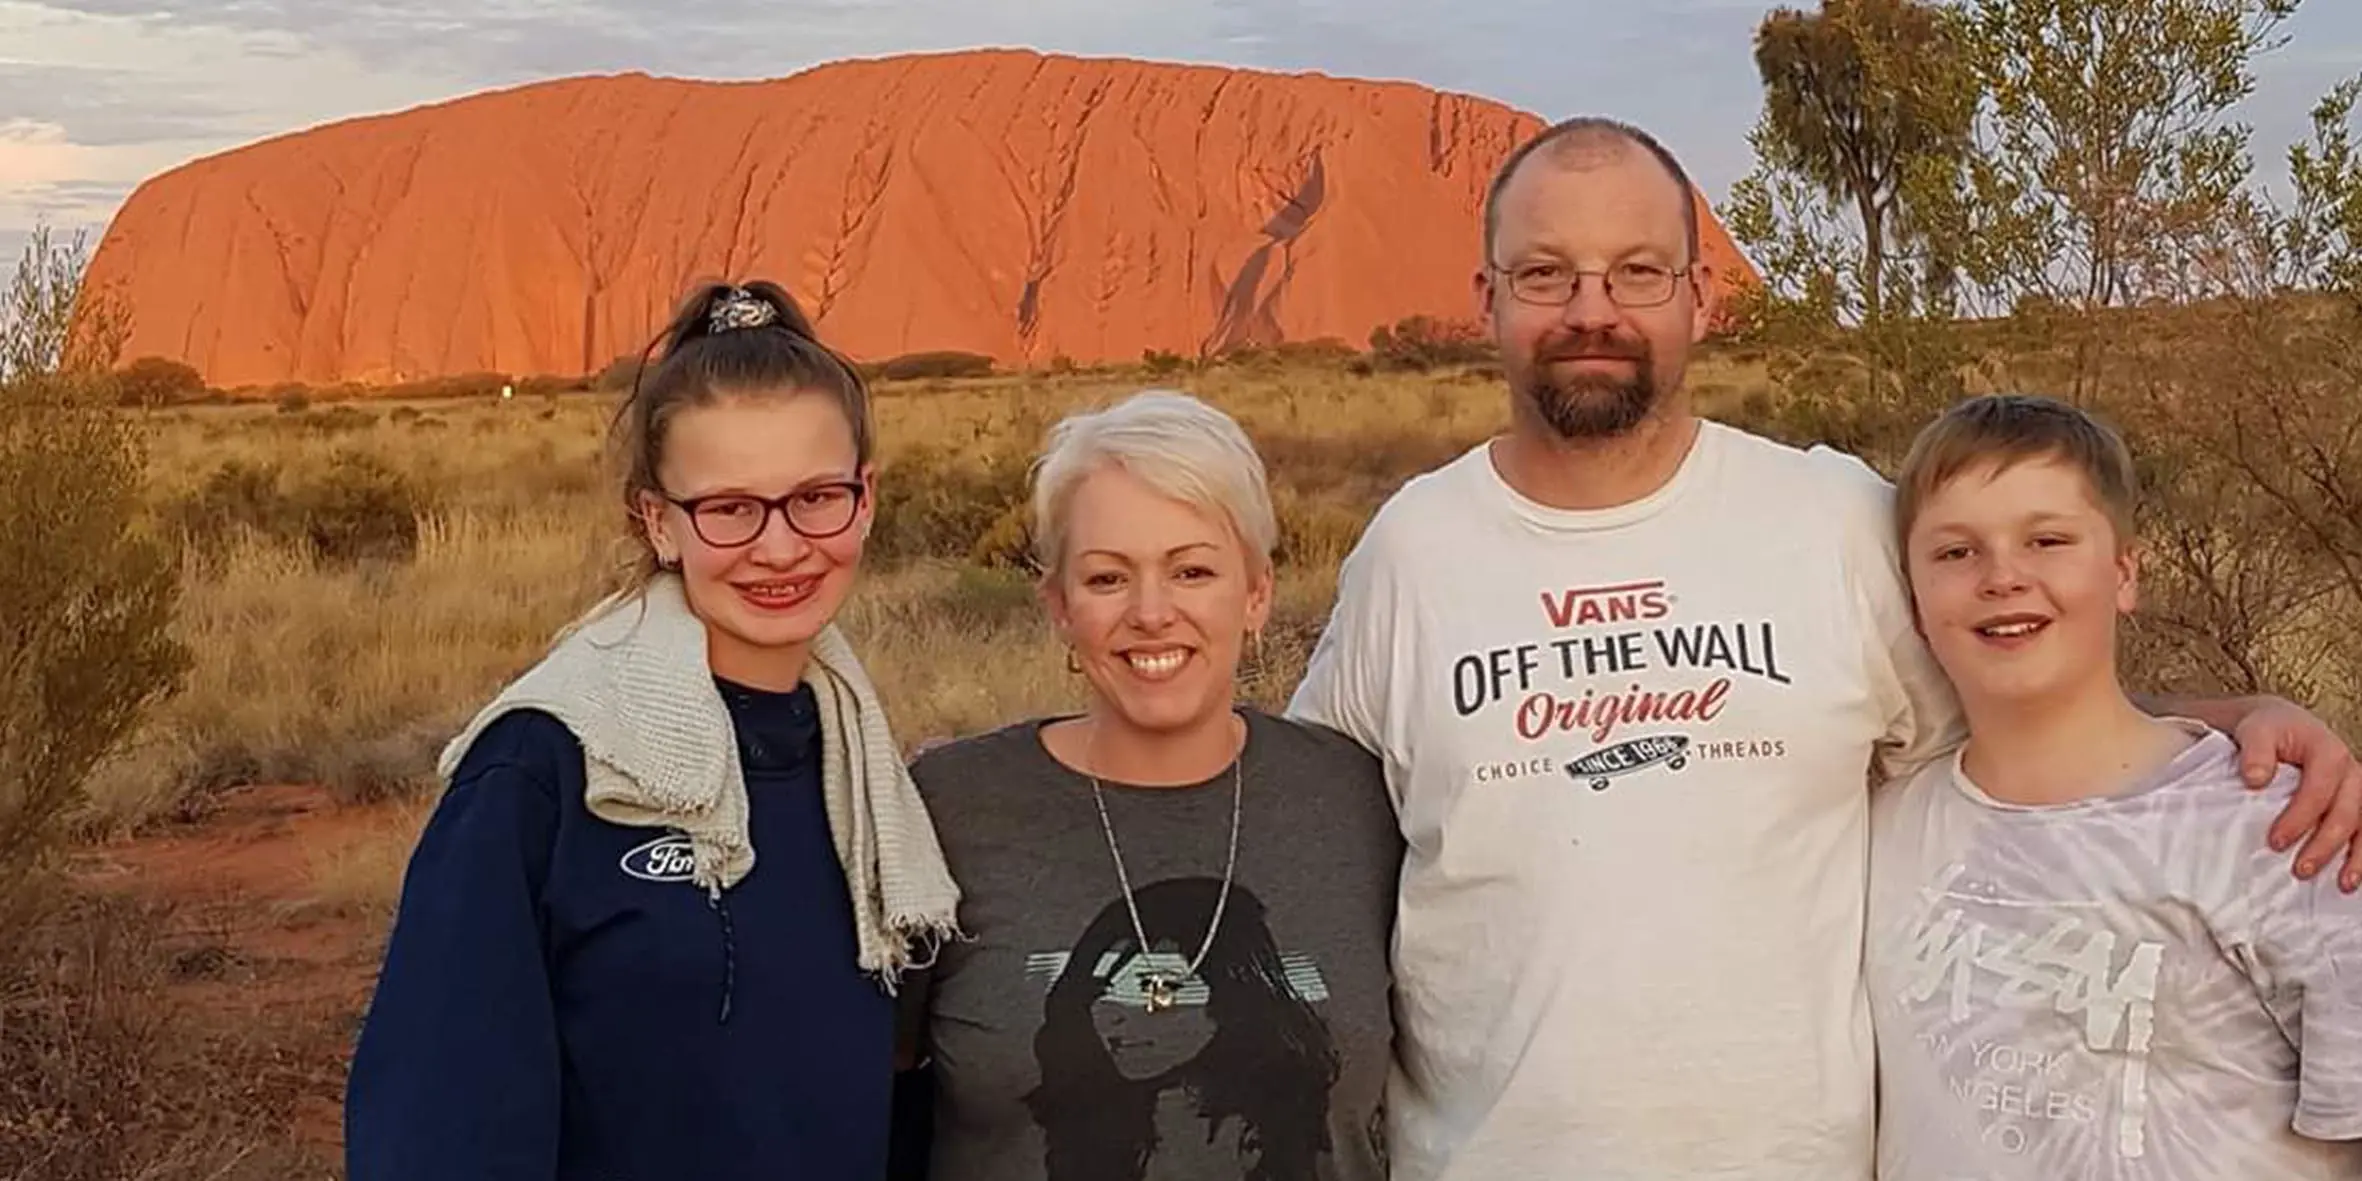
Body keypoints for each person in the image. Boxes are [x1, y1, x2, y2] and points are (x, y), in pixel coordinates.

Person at [1284, 115, 2362, 1181]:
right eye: (1545, 274)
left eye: (1638, 271)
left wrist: (2226, 727)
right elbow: (1298, 817)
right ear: (1487, 299)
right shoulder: (1412, 551)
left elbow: (2021, 693)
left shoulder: (1830, 516)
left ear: (1699, 294)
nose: (1591, 312)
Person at [343, 280, 962, 1181]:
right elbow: (438, 1123)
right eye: (730, 507)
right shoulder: (549, 766)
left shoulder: (866, 778)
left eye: (816, 497)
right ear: (658, 521)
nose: (783, 547)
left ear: (865, 499)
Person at [896, 390, 1402, 1180]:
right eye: (1106, 579)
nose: (1152, 612)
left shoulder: (1358, 801)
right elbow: (857, 1087)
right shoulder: (948, 807)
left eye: (1193, 569)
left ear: (1257, 593)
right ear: (1059, 606)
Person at [1866, 393, 2362, 1178]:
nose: (2003, 576)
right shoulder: (1885, 826)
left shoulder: (2285, 828)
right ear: (1915, 604)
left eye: (2048, 539)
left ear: (2125, 570)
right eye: (1956, 552)